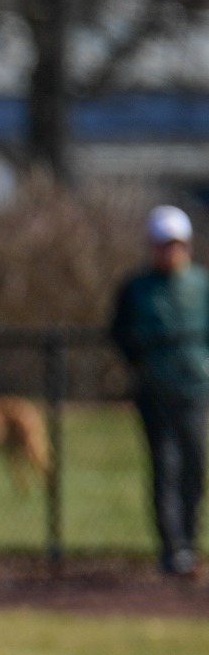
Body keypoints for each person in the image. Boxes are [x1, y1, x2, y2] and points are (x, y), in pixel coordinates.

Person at [110, 204, 209, 577]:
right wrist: (141, 361)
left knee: (195, 467)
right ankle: (172, 548)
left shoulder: (201, 285)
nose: (170, 251)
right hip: (155, 393)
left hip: (195, 389)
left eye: (176, 244)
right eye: (163, 244)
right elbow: (118, 332)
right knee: (165, 466)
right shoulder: (136, 288)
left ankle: (191, 542)